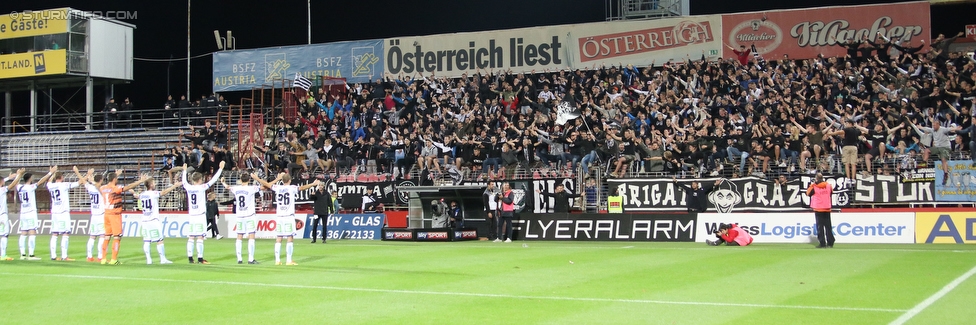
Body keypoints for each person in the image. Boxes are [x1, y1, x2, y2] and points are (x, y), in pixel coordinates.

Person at [255, 173, 319, 265]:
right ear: (289, 180)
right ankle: (289, 260)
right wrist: (312, 184)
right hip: (288, 216)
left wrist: (257, 178)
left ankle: (277, 260)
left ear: (282, 180)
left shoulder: (278, 188)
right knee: (290, 237)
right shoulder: (292, 188)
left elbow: (267, 184)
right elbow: (302, 188)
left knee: (279, 238)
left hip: (280, 216)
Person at [100, 170, 152, 265]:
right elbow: (128, 187)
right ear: (114, 179)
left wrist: (115, 175)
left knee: (107, 237)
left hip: (106, 214)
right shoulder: (115, 188)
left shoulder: (103, 188)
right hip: (115, 215)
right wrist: (140, 181)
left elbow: (106, 185)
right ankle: (113, 259)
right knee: (117, 237)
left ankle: (103, 259)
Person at [181, 161, 225, 264]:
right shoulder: (202, 188)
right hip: (200, 216)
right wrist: (220, 169)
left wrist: (184, 171)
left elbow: (184, 182)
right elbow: (213, 180)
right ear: (200, 179)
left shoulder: (188, 187)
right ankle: (200, 258)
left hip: (192, 216)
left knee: (191, 237)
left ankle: (190, 258)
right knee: (200, 237)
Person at [132, 176, 181, 264]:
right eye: (154, 183)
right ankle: (162, 259)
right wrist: (174, 186)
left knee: (147, 240)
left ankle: (149, 260)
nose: (155, 184)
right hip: (153, 220)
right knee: (159, 240)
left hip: (145, 220)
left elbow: (137, 196)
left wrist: (133, 193)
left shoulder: (142, 194)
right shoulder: (153, 193)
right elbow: (164, 192)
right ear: (151, 185)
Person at [223, 173, 268, 264]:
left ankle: (239, 259)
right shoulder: (251, 188)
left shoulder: (236, 188)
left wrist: (223, 182)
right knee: (251, 236)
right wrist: (257, 178)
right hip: (249, 215)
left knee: (239, 236)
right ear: (249, 180)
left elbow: (227, 187)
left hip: (239, 216)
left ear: (240, 179)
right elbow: (265, 187)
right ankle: (250, 259)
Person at [46, 166, 86, 261]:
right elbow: (80, 182)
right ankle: (64, 256)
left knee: (55, 234)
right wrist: (77, 172)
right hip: (63, 213)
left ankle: (53, 256)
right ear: (62, 178)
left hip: (54, 213)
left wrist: (52, 173)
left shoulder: (50, 186)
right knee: (65, 233)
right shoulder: (64, 185)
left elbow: (48, 182)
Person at [17, 166, 56, 260]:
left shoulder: (19, 187)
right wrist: (50, 173)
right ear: (30, 178)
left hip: (23, 213)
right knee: (32, 232)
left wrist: (19, 174)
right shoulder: (30, 187)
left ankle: (22, 254)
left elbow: (16, 182)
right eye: (32, 177)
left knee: (23, 233)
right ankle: (31, 254)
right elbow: (41, 181)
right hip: (31, 212)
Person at [0, 169, 25, 261]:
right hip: (2, 215)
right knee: (4, 234)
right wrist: (19, 175)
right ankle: (3, 255)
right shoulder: (2, 190)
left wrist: (8, 178)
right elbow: (13, 184)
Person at [83, 169, 106, 262]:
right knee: (102, 235)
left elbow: (83, 181)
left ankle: (89, 256)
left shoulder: (90, 187)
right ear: (101, 180)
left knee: (92, 236)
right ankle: (100, 256)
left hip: (93, 215)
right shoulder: (100, 189)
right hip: (100, 215)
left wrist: (87, 175)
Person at [806, 173, 834, 248]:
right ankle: (830, 243)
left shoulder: (814, 187)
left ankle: (822, 243)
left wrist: (812, 185)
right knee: (828, 226)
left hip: (818, 208)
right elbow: (831, 193)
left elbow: (808, 193)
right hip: (827, 208)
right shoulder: (828, 185)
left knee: (820, 227)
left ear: (816, 179)